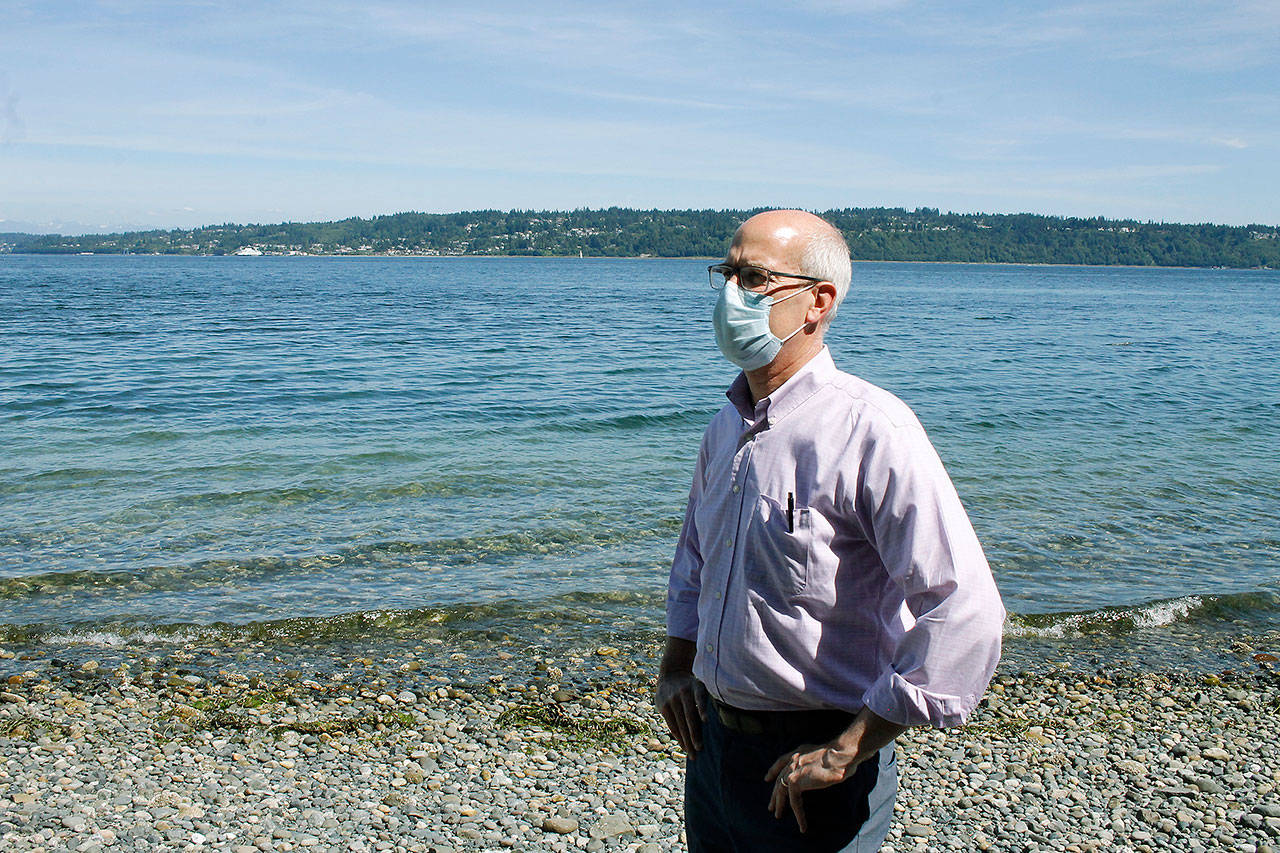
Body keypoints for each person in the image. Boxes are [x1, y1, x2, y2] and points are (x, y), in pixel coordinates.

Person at [656, 210, 1006, 851]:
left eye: (755, 277)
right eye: (727, 273)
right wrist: (677, 665)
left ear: (818, 301)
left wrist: (851, 746)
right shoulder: (726, 426)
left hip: (818, 764)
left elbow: (964, 609)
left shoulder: (870, 430)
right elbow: (695, 561)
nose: (733, 293)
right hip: (712, 748)